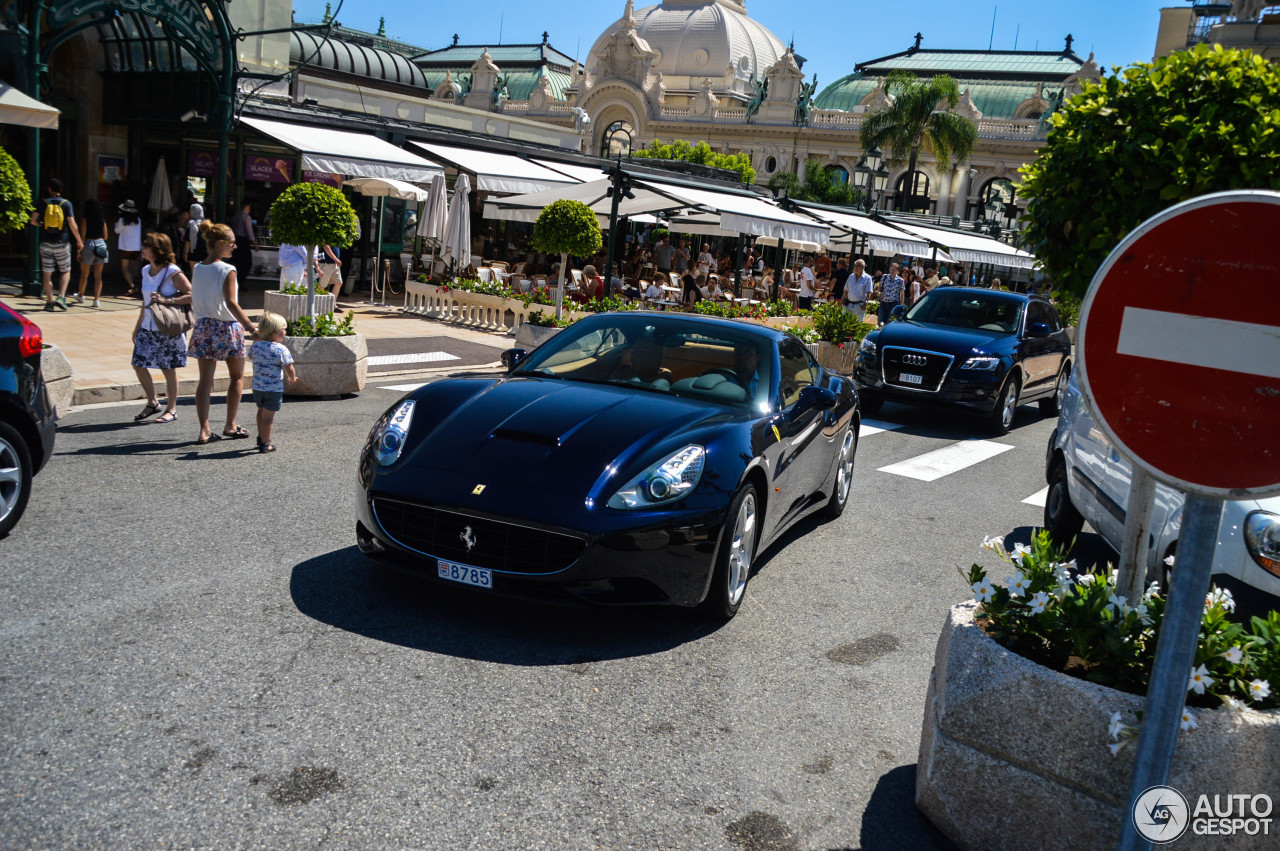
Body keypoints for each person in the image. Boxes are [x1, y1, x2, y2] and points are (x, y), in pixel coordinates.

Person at [190, 221, 259, 445]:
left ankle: (204, 430)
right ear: (220, 244)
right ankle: (230, 424)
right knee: (237, 377)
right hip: (227, 327)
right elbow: (231, 302)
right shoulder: (227, 269)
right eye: (231, 243)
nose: (234, 247)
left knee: (205, 381)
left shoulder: (198, 268)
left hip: (203, 326)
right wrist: (250, 327)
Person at [130, 232, 192, 424]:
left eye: (146, 246)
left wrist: (168, 300)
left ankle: (171, 409)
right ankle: (152, 402)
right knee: (138, 364)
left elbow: (191, 294)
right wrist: (138, 325)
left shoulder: (172, 271)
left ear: (157, 249)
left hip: (167, 327)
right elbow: (145, 301)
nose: (143, 249)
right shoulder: (145, 270)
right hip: (148, 326)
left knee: (168, 368)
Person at [29, 179, 82, 311]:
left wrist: (43, 225)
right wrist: (79, 240)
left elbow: (33, 221)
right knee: (65, 270)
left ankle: (49, 302)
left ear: (49, 189)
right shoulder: (66, 204)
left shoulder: (42, 202)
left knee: (47, 274)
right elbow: (71, 223)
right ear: (61, 190)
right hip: (62, 242)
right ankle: (61, 297)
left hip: (46, 242)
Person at [248, 311, 297, 454]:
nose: (285, 332)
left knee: (260, 411)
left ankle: (260, 437)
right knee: (268, 417)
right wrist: (292, 378)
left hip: (257, 387)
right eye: (283, 329)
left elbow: (251, 357)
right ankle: (265, 443)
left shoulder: (256, 346)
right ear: (276, 332)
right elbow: (289, 366)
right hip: (273, 388)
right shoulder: (281, 349)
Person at [74, 198, 108, 308]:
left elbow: (82, 236)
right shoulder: (102, 219)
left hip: (89, 244)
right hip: (101, 244)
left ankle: (81, 295)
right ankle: (97, 300)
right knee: (98, 275)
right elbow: (106, 236)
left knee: (84, 274)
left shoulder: (85, 219)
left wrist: (79, 251)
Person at [114, 200, 142, 296]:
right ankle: (131, 285)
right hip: (136, 248)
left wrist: (116, 223)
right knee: (130, 268)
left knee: (124, 269)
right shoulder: (138, 220)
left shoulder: (122, 220)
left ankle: (132, 287)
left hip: (125, 247)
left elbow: (117, 231)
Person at [228, 201, 257, 285]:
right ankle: (240, 282)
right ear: (247, 207)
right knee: (247, 263)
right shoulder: (246, 217)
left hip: (235, 240)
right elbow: (249, 231)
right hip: (243, 242)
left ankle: (234, 281)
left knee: (236, 262)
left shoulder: (236, 216)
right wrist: (254, 243)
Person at [318, 244, 344, 310]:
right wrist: (336, 259)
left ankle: (333, 305)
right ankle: (318, 305)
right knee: (322, 286)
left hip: (334, 264)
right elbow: (326, 247)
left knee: (338, 283)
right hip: (326, 263)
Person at [185, 203, 206, 269]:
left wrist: (186, 253)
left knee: (194, 274)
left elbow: (188, 242)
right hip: (205, 252)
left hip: (193, 253)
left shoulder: (191, 225)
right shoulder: (207, 225)